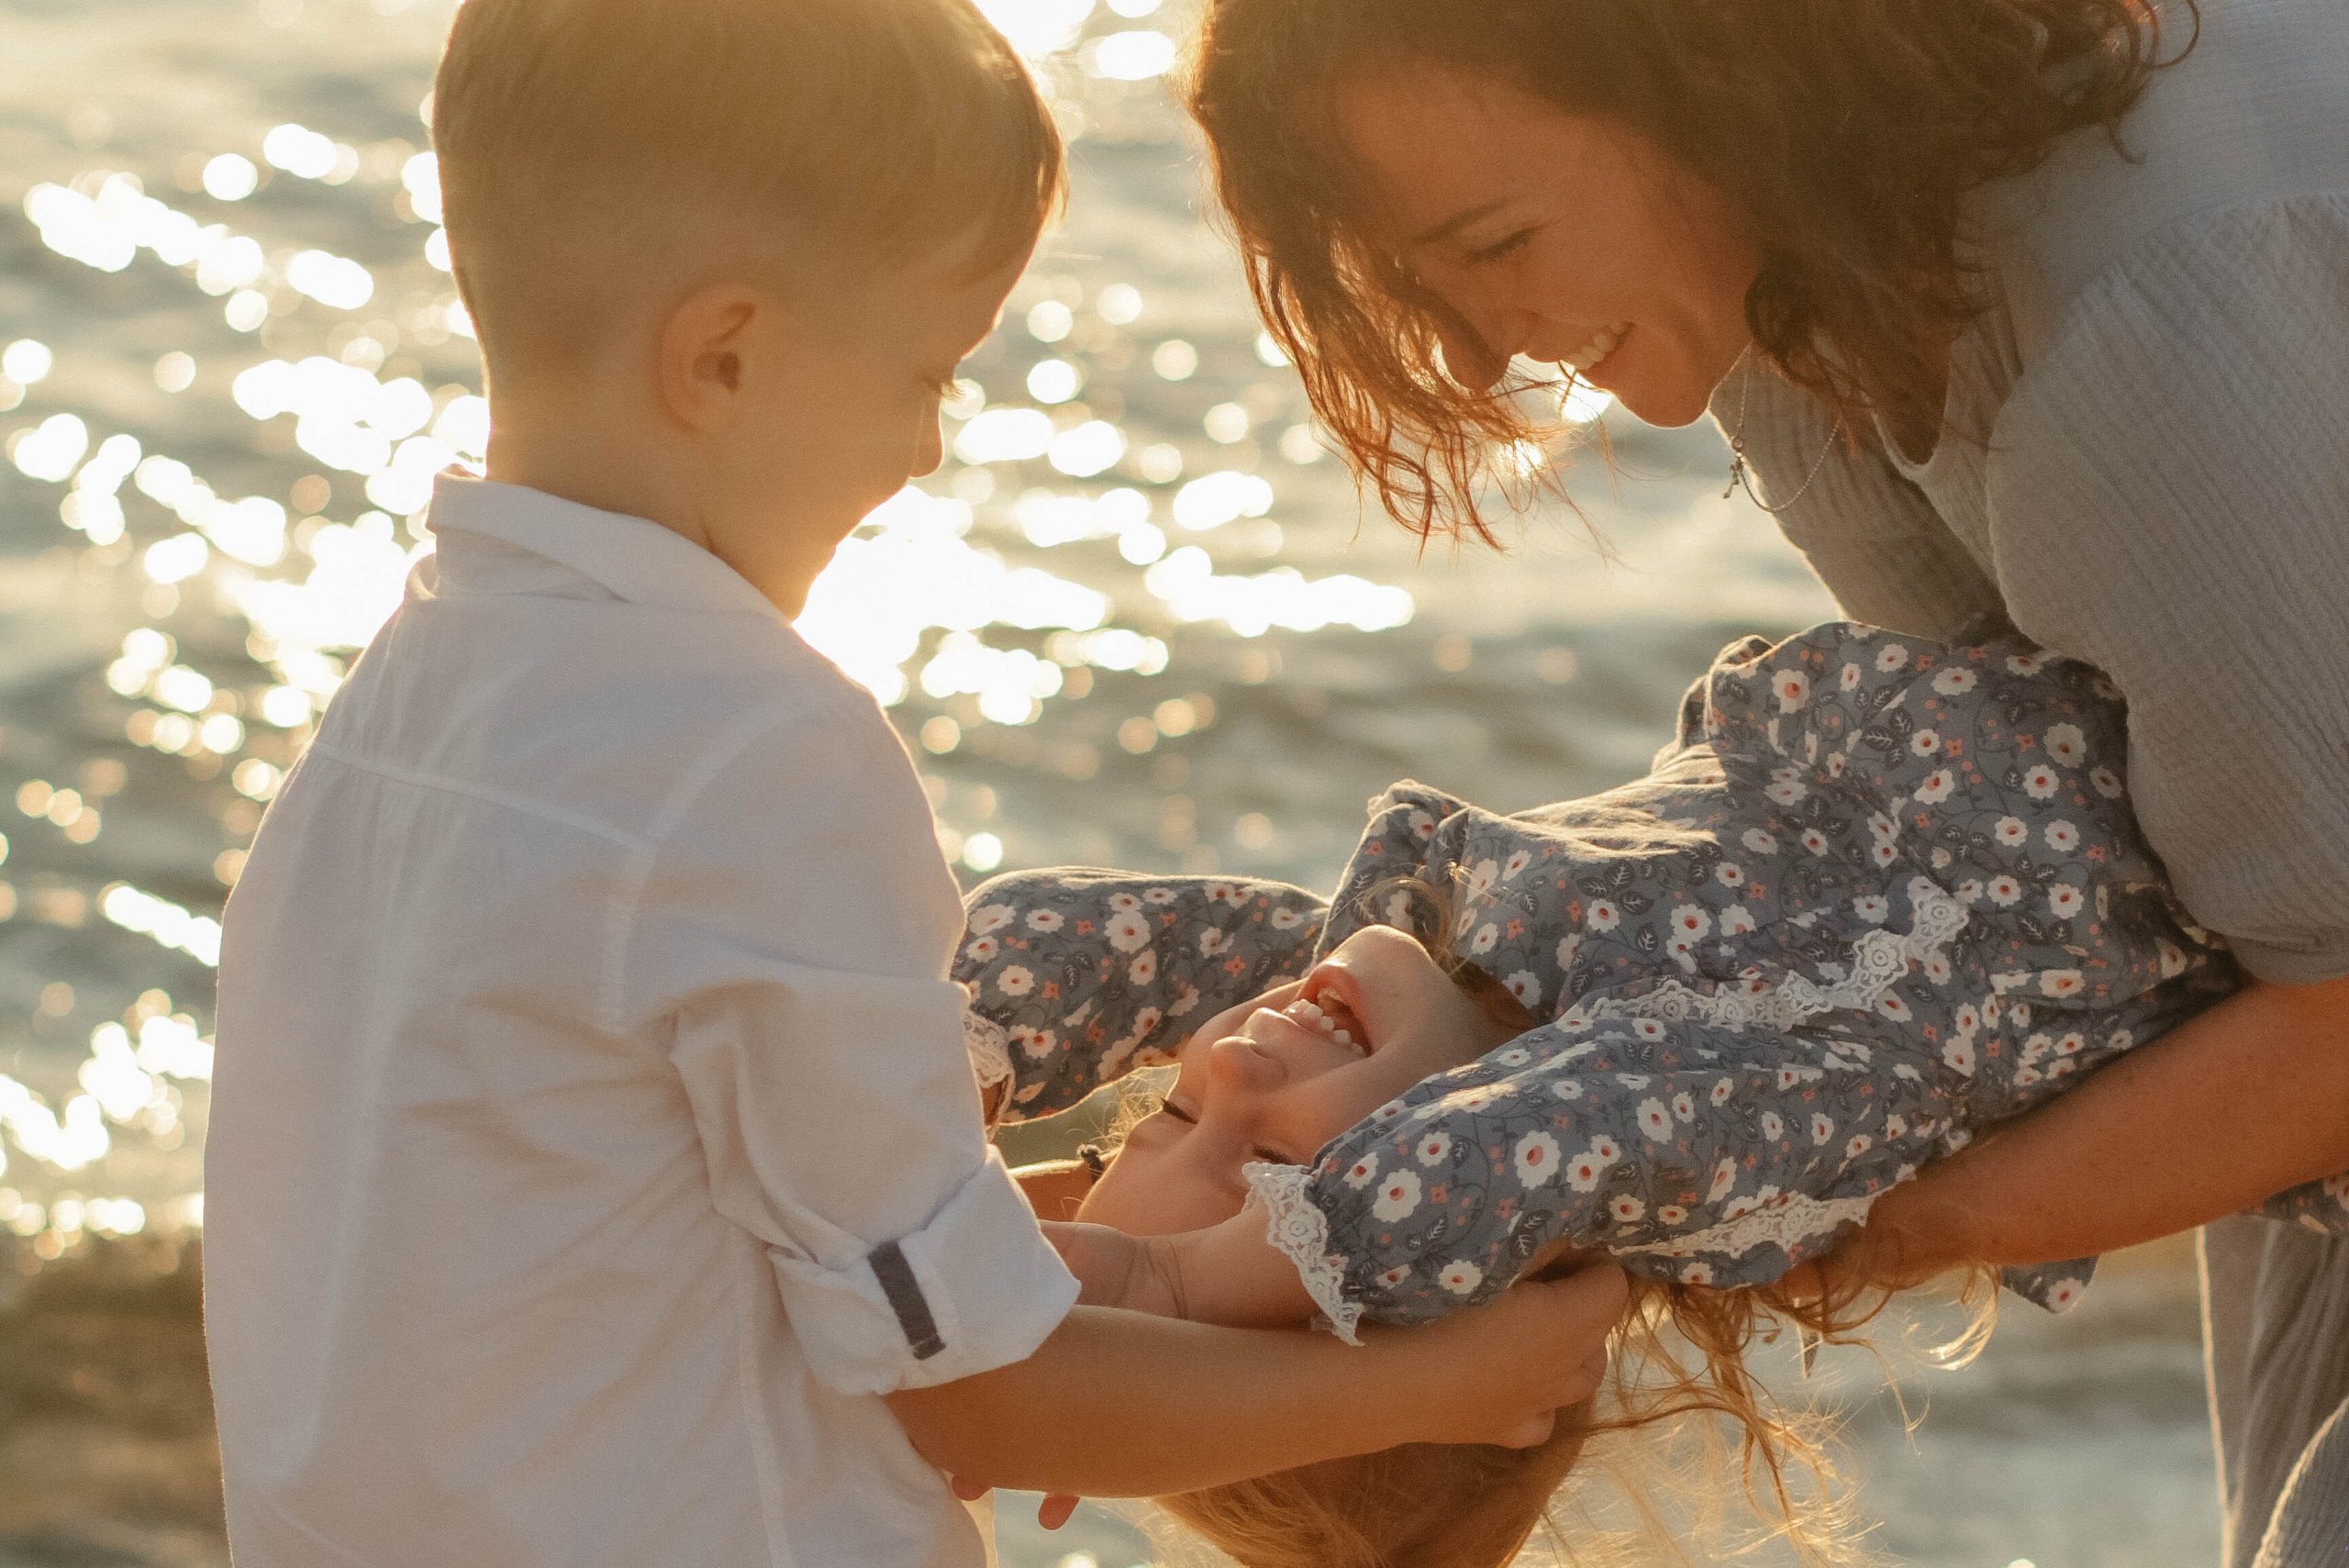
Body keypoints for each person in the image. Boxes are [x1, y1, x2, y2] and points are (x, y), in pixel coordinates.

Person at [199, 3, 1627, 1564]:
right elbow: (974, 1392)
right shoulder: (751, 746)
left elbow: (639, 1224)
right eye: (926, 370)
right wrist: (1437, 1384)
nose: (932, 448)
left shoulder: (389, 731)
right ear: (723, 354)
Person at [1180, 1, 2349, 1561]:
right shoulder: (1795, 292)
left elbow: (2338, 996)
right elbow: (2074, 860)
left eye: (1500, 240)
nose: (1470, 355)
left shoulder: (2138, 325)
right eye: (1419, 292)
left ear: (1705, 69)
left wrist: (1859, 1226)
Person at [961, 618, 2250, 1566]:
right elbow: (1502, 1156)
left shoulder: (1416, 1011)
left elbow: (1131, 950)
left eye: (1170, 1114)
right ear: (1476, 1258)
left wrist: (946, 1078)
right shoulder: (1670, 1134)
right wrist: (1165, 1289)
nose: (1228, 1061)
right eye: (1280, 1191)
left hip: (2029, 660)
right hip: (2203, 772)